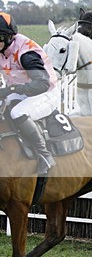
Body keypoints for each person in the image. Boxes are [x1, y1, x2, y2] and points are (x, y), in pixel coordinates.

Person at [0, 12, 59, 174]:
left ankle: (45, 155)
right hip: (23, 90)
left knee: (18, 112)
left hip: (46, 92)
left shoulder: (27, 53)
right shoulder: (3, 47)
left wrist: (11, 90)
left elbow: (41, 84)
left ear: (7, 38)